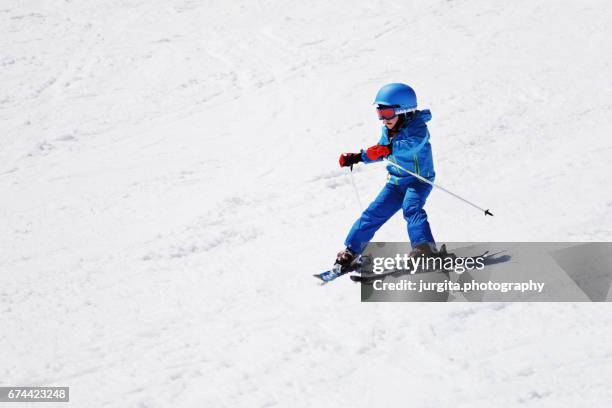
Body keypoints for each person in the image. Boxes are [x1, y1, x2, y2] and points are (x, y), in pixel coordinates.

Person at [335, 83, 437, 272]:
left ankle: (424, 249)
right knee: (372, 214)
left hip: (418, 181)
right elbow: (380, 151)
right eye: (380, 113)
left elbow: (412, 145)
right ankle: (352, 250)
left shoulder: (418, 127)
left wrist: (388, 148)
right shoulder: (388, 130)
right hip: (396, 182)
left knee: (411, 208)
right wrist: (358, 157)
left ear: (405, 110)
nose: (384, 119)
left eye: (388, 113)